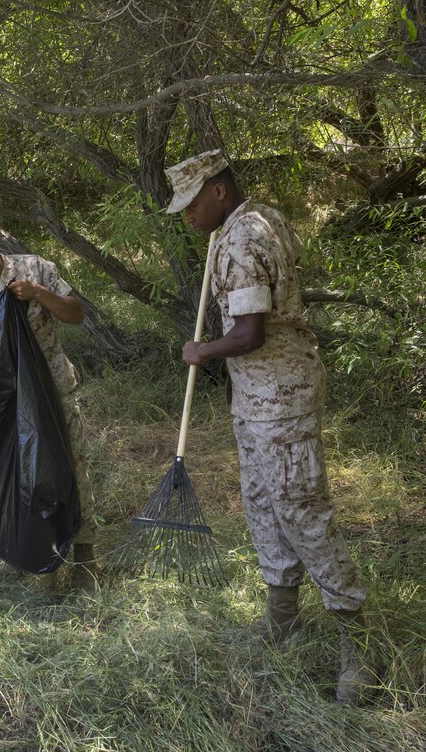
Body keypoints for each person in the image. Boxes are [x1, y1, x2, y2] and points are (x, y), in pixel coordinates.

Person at [167, 148, 373, 704]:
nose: (188, 216)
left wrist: (200, 351)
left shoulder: (241, 237)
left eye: (191, 204)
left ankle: (359, 645)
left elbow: (249, 334)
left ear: (218, 190)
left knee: (303, 512)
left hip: (281, 398)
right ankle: (283, 622)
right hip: (257, 399)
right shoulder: (257, 217)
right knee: (263, 504)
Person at [0, 214, 99, 591]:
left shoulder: (34, 269)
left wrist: (40, 294)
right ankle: (37, 556)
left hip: (54, 393)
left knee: (71, 468)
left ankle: (85, 559)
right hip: (8, 405)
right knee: (25, 478)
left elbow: (76, 314)